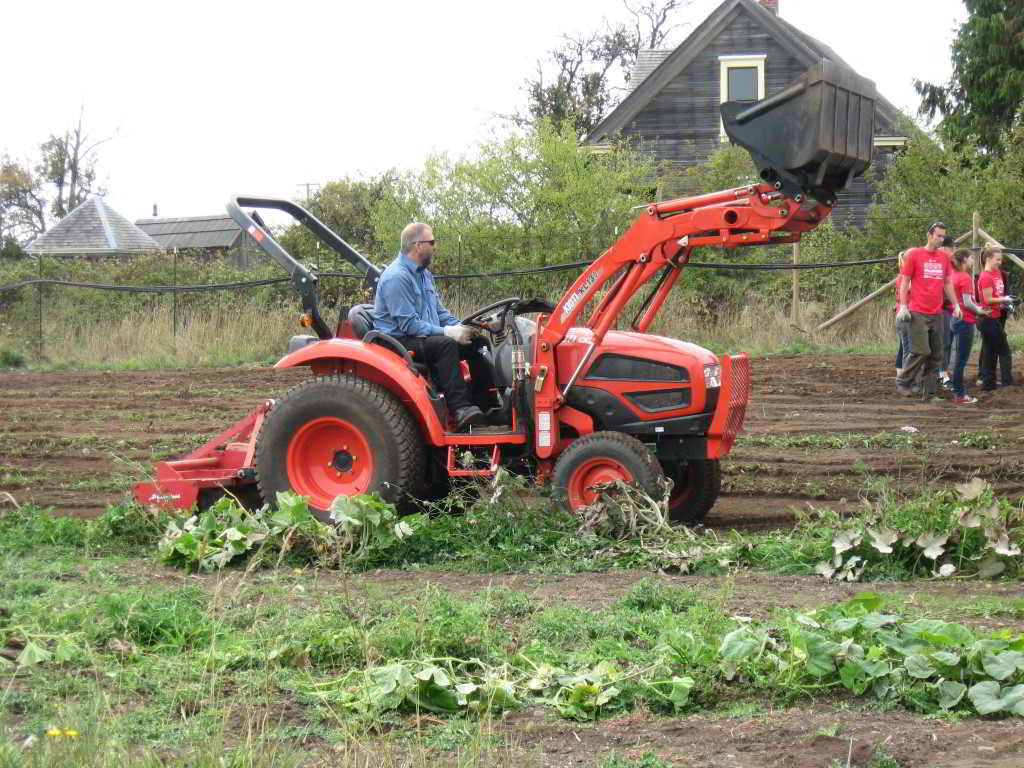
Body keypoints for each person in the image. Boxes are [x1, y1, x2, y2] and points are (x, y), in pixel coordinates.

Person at [373, 222, 499, 431]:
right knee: (445, 345)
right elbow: (409, 325)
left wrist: (461, 327)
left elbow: (439, 313)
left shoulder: (424, 275)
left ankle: (487, 404)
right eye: (432, 242)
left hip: (422, 335)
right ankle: (461, 410)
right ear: (417, 245)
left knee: (478, 342)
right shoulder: (397, 277)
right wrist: (448, 333)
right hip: (399, 341)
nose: (435, 246)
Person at [895, 222, 963, 402]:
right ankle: (903, 381)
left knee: (936, 354)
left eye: (943, 236)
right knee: (921, 350)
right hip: (917, 310)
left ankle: (930, 394)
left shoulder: (943, 258)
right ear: (929, 235)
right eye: (938, 236)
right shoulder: (915, 255)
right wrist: (903, 305)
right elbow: (904, 281)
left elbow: (947, 283)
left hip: (937, 312)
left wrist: (956, 304)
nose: (941, 239)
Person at [947, 248, 989, 404]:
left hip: (955, 318)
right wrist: (980, 311)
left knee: (958, 357)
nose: (973, 261)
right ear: (964, 259)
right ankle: (959, 394)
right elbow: (967, 302)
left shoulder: (953, 275)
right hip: (965, 320)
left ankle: (956, 388)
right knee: (961, 360)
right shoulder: (964, 277)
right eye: (971, 258)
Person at [976, 245, 1014, 392]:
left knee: (990, 351)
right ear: (988, 259)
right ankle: (1006, 383)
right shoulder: (985, 276)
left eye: (1001, 260)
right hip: (988, 319)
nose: (1000, 262)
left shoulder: (997, 273)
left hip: (995, 317)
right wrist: (1005, 299)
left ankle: (989, 384)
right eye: (997, 259)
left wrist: (1006, 301)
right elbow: (987, 299)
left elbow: (998, 294)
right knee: (1004, 351)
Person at [938, 235, 957, 389]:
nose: (954, 252)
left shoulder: (950, 263)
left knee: (948, 342)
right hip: (939, 308)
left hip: (949, 308)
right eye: (952, 249)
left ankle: (942, 372)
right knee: (943, 342)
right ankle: (941, 373)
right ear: (945, 248)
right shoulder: (939, 262)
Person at [894, 250, 911, 379]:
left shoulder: (901, 276)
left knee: (903, 346)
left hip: (902, 312)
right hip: (905, 314)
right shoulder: (904, 277)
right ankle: (905, 377)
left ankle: (900, 373)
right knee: (907, 348)